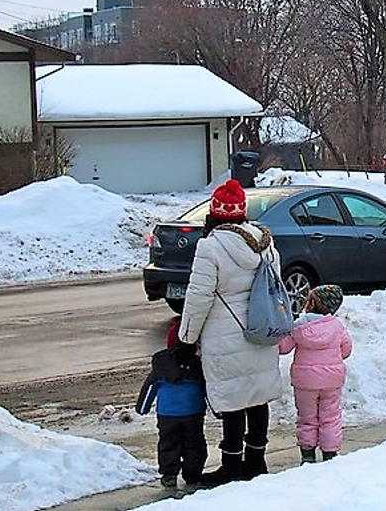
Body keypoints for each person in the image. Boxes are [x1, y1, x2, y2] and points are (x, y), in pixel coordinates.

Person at [177, 178, 283, 487]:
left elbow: (198, 298)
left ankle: (232, 465)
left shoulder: (210, 247)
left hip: (226, 336)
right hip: (262, 331)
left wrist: (186, 338)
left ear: (215, 214)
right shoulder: (265, 242)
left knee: (234, 401)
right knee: (257, 396)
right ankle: (257, 460)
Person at [279, 284, 353, 464]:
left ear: (310, 304)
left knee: (306, 418)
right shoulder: (337, 326)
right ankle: (330, 456)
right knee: (331, 417)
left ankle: (307, 455)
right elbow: (346, 350)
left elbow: (283, 348)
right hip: (332, 380)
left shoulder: (298, 327)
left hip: (305, 382)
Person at [135, 317, 208, 490]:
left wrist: (142, 408)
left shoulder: (161, 365)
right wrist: (218, 410)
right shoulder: (198, 365)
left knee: (168, 444)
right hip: (193, 412)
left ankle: (169, 474)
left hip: (167, 414)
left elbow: (150, 387)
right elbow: (208, 389)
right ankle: (193, 475)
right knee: (194, 444)